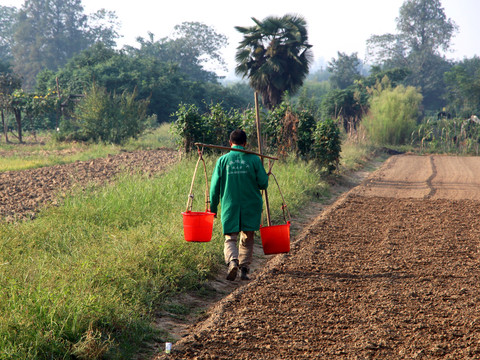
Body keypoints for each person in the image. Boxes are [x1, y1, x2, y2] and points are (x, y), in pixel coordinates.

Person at [210, 129, 269, 281]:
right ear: (245, 143)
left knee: (230, 238)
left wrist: (213, 208)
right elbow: (263, 184)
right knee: (248, 237)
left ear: (230, 143)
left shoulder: (222, 161)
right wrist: (265, 173)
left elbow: (214, 187)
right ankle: (244, 270)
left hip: (230, 205)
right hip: (251, 205)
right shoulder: (254, 160)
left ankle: (232, 261)